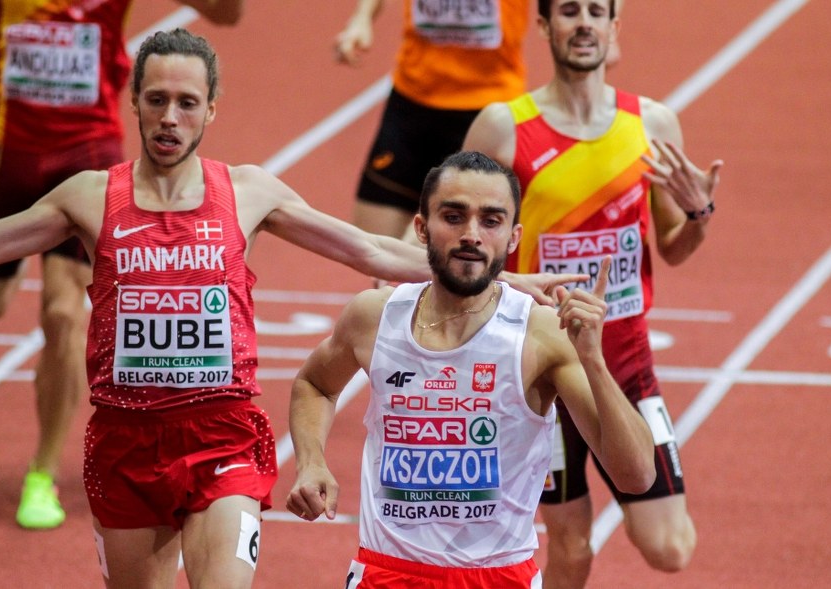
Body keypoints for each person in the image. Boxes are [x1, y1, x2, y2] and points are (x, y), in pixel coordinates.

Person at [0, 30, 581, 588]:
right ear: (134, 103)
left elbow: (372, 250)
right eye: (156, 100)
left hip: (222, 437)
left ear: (211, 109)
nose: (169, 118)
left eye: (186, 103)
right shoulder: (90, 197)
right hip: (124, 441)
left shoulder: (245, 192)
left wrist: (515, 282)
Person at [0, 0, 243, 530]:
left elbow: (225, 14)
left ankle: (41, 472)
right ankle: (16, 257)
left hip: (86, 154)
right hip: (6, 155)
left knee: (62, 314)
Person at [286, 151, 656, 588]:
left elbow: (637, 476)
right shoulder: (374, 317)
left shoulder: (540, 334)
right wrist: (311, 462)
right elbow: (314, 384)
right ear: (422, 228)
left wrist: (594, 360)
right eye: (454, 216)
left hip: (498, 578)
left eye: (491, 220)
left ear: (513, 237)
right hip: (386, 574)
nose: (472, 235)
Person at [462, 0, 723, 586]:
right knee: (572, 547)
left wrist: (699, 213)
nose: (584, 23)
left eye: (596, 11)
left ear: (614, 26)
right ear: (545, 25)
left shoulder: (652, 124)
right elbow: (465, 230)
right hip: (544, 362)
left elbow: (673, 246)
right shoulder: (503, 126)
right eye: (570, 10)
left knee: (670, 547)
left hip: (625, 360)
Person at [334, 0, 534, 239]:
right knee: (370, 247)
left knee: (462, 253)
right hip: (412, 102)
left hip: (486, 113)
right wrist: (361, 18)